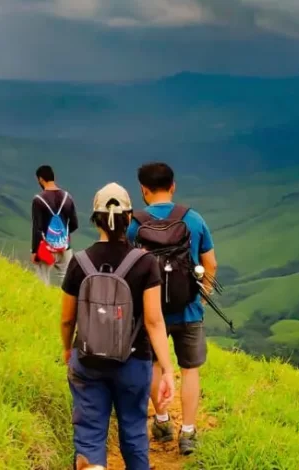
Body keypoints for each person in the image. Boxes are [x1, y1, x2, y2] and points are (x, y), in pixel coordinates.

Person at [60, 182, 175, 469]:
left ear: (95, 218)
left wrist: (67, 349)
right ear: (128, 218)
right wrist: (167, 369)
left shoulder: (79, 262)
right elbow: (153, 320)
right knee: (134, 433)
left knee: (89, 437)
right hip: (134, 362)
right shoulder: (145, 262)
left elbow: (66, 318)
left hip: (86, 360)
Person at [126, 162, 217, 456]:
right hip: (189, 310)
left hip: (150, 314)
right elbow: (211, 264)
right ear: (173, 185)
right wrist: (200, 297)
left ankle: (162, 421)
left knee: (153, 365)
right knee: (190, 371)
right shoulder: (194, 219)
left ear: (143, 189)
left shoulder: (134, 225)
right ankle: (188, 433)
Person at [32, 165, 79, 285]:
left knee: (42, 280)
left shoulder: (38, 199)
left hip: (46, 248)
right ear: (54, 177)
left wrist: (34, 251)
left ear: (41, 179)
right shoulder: (67, 197)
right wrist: (62, 237)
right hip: (65, 247)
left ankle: (43, 303)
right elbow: (74, 224)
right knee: (67, 282)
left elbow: (37, 228)